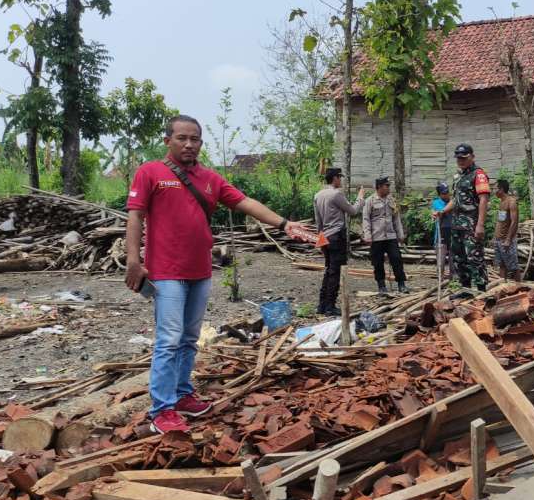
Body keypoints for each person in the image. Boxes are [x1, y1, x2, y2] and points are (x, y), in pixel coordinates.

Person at [125, 114, 302, 435]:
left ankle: (181, 395)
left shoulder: (209, 178)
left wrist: (283, 223)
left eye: (195, 139)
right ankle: (161, 410)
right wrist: (133, 260)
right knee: (169, 338)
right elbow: (135, 216)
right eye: (182, 138)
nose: (189, 144)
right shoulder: (150, 172)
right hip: (165, 271)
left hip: (200, 271)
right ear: (168, 141)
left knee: (190, 338)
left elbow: (245, 202)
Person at [432, 144, 490, 291]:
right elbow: (455, 199)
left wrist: (480, 225)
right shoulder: (458, 176)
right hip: (456, 225)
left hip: (471, 225)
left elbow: (483, 199)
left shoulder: (479, 175)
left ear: (472, 156)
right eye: (458, 158)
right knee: (459, 259)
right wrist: (443, 211)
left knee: (475, 258)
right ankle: (465, 290)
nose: (461, 160)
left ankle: (482, 291)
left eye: (464, 157)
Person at [313, 168, 365, 316]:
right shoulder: (336, 194)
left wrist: (320, 240)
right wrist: (360, 198)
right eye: (339, 177)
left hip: (325, 237)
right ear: (334, 178)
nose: (340, 180)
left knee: (328, 270)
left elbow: (318, 222)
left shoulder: (318, 195)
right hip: (336, 236)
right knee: (335, 272)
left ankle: (322, 305)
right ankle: (330, 306)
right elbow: (353, 211)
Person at [362, 177, 409, 294]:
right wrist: (367, 235)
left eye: (389, 186)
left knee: (397, 259)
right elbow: (366, 219)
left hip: (390, 236)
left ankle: (401, 284)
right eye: (386, 186)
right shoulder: (370, 201)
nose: (388, 188)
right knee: (377, 262)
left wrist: (400, 234)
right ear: (379, 187)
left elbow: (396, 219)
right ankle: (381, 286)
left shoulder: (391, 200)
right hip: (376, 237)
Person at [493, 178, 520, 281]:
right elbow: (500, 221)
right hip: (499, 240)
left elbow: (514, 222)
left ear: (501, 189)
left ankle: (520, 288)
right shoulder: (502, 202)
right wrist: (495, 237)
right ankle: (502, 288)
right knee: (502, 265)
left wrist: (508, 239)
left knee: (513, 267)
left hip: (506, 240)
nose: (493, 191)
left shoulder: (511, 202)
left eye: (495, 188)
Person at [431, 182, 454, 278]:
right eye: (444, 193)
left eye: (447, 192)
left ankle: (453, 278)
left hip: (453, 233)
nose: (446, 195)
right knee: (441, 260)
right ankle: (440, 278)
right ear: (439, 194)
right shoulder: (436, 203)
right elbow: (441, 212)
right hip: (442, 234)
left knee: (453, 258)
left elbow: (448, 209)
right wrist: (437, 213)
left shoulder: (453, 201)